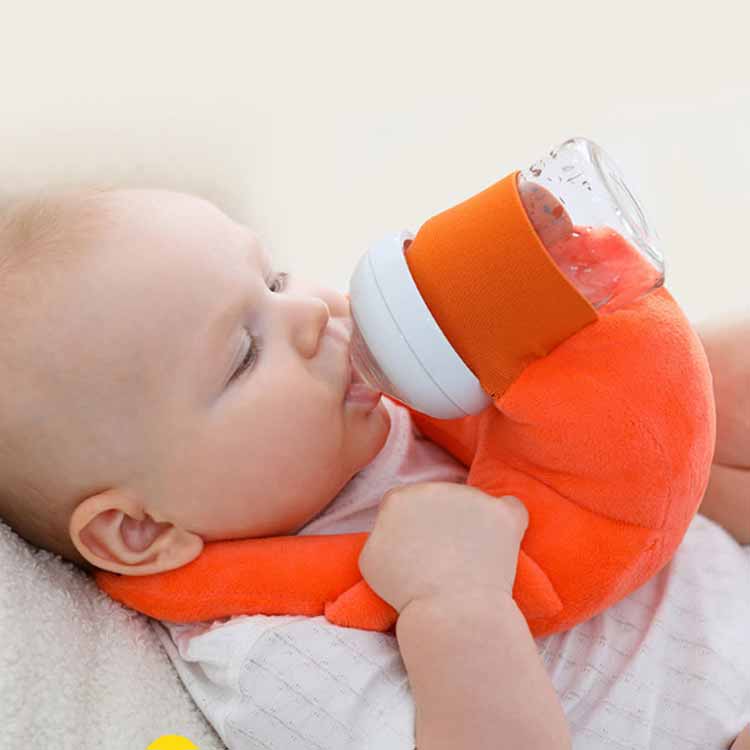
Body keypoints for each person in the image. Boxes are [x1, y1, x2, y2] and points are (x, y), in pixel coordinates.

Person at [0, 188, 746, 748]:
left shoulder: (373, 416)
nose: (310, 314)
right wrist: (454, 605)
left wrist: (543, 282)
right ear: (139, 531)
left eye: (275, 280)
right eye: (243, 355)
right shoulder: (273, 652)